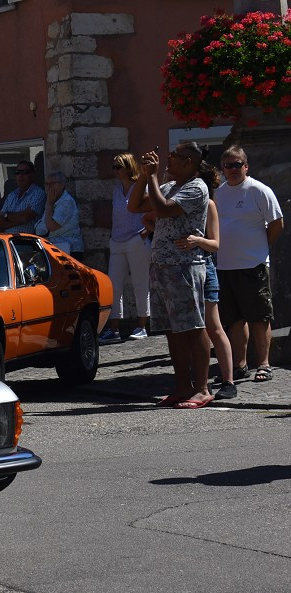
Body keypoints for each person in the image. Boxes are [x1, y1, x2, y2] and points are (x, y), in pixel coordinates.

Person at [127, 142, 211, 409]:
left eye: (173, 156)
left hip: (185, 267)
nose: (169, 160)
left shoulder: (196, 188)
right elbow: (135, 205)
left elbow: (163, 209)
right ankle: (182, 387)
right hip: (162, 267)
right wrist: (143, 174)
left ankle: (202, 388)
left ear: (189, 162)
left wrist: (152, 176)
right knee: (172, 331)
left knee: (193, 328)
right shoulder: (168, 186)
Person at [214, 145, 284, 384]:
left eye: (237, 165)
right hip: (225, 265)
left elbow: (276, 223)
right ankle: (240, 364)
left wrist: (261, 247)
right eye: (228, 165)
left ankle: (264, 363)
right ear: (222, 168)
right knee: (234, 319)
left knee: (259, 317)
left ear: (246, 166)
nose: (232, 169)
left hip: (253, 264)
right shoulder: (219, 193)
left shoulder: (258, 190)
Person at [176, 161, 237, 400]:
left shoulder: (209, 204)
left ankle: (229, 381)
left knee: (214, 327)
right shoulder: (181, 203)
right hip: (185, 270)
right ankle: (196, 382)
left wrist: (195, 240)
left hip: (205, 268)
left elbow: (215, 243)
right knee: (192, 328)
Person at [102, 153, 151, 343]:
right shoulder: (116, 189)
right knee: (114, 285)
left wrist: (144, 233)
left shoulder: (141, 187)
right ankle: (113, 329)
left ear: (128, 167)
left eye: (118, 167)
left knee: (140, 284)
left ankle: (142, 326)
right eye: (114, 167)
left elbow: (152, 210)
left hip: (136, 239)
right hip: (117, 241)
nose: (115, 171)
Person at [36, 171, 83, 258]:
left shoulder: (66, 202)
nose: (49, 187)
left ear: (61, 185)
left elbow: (52, 226)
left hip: (68, 250)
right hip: (54, 248)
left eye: (52, 184)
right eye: (47, 184)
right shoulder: (54, 201)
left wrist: (49, 205)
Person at [0, 161, 46, 234]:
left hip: (27, 241)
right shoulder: (11, 195)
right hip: (9, 241)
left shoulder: (38, 193)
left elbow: (25, 218)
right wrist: (19, 217)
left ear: (32, 175)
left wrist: (6, 216)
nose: (21, 175)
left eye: (25, 172)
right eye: (17, 172)